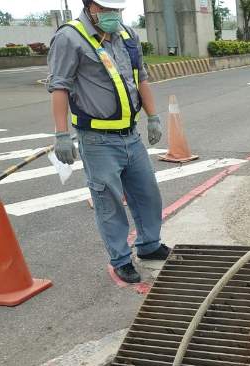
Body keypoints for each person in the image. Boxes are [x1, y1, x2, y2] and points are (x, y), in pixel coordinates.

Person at [47, 0, 169, 284]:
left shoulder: (127, 35)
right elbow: (60, 86)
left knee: (147, 193)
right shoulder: (69, 37)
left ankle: (149, 245)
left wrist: (153, 116)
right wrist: (62, 134)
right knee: (109, 202)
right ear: (90, 7)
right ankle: (121, 259)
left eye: (117, 10)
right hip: (97, 140)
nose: (114, 15)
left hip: (130, 135)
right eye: (107, 9)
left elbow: (142, 78)